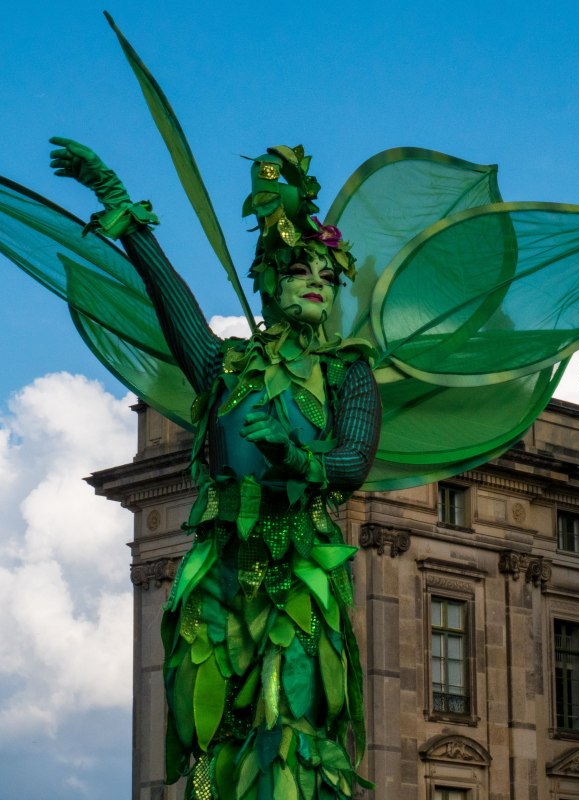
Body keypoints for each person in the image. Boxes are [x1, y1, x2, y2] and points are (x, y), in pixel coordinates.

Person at [51, 138, 378, 800]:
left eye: (325, 273)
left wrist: (292, 455)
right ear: (268, 285)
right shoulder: (222, 368)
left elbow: (350, 461)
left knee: (290, 724)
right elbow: (174, 307)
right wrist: (124, 215)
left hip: (296, 572)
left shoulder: (347, 370)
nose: (316, 280)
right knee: (208, 733)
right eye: (298, 271)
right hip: (220, 566)